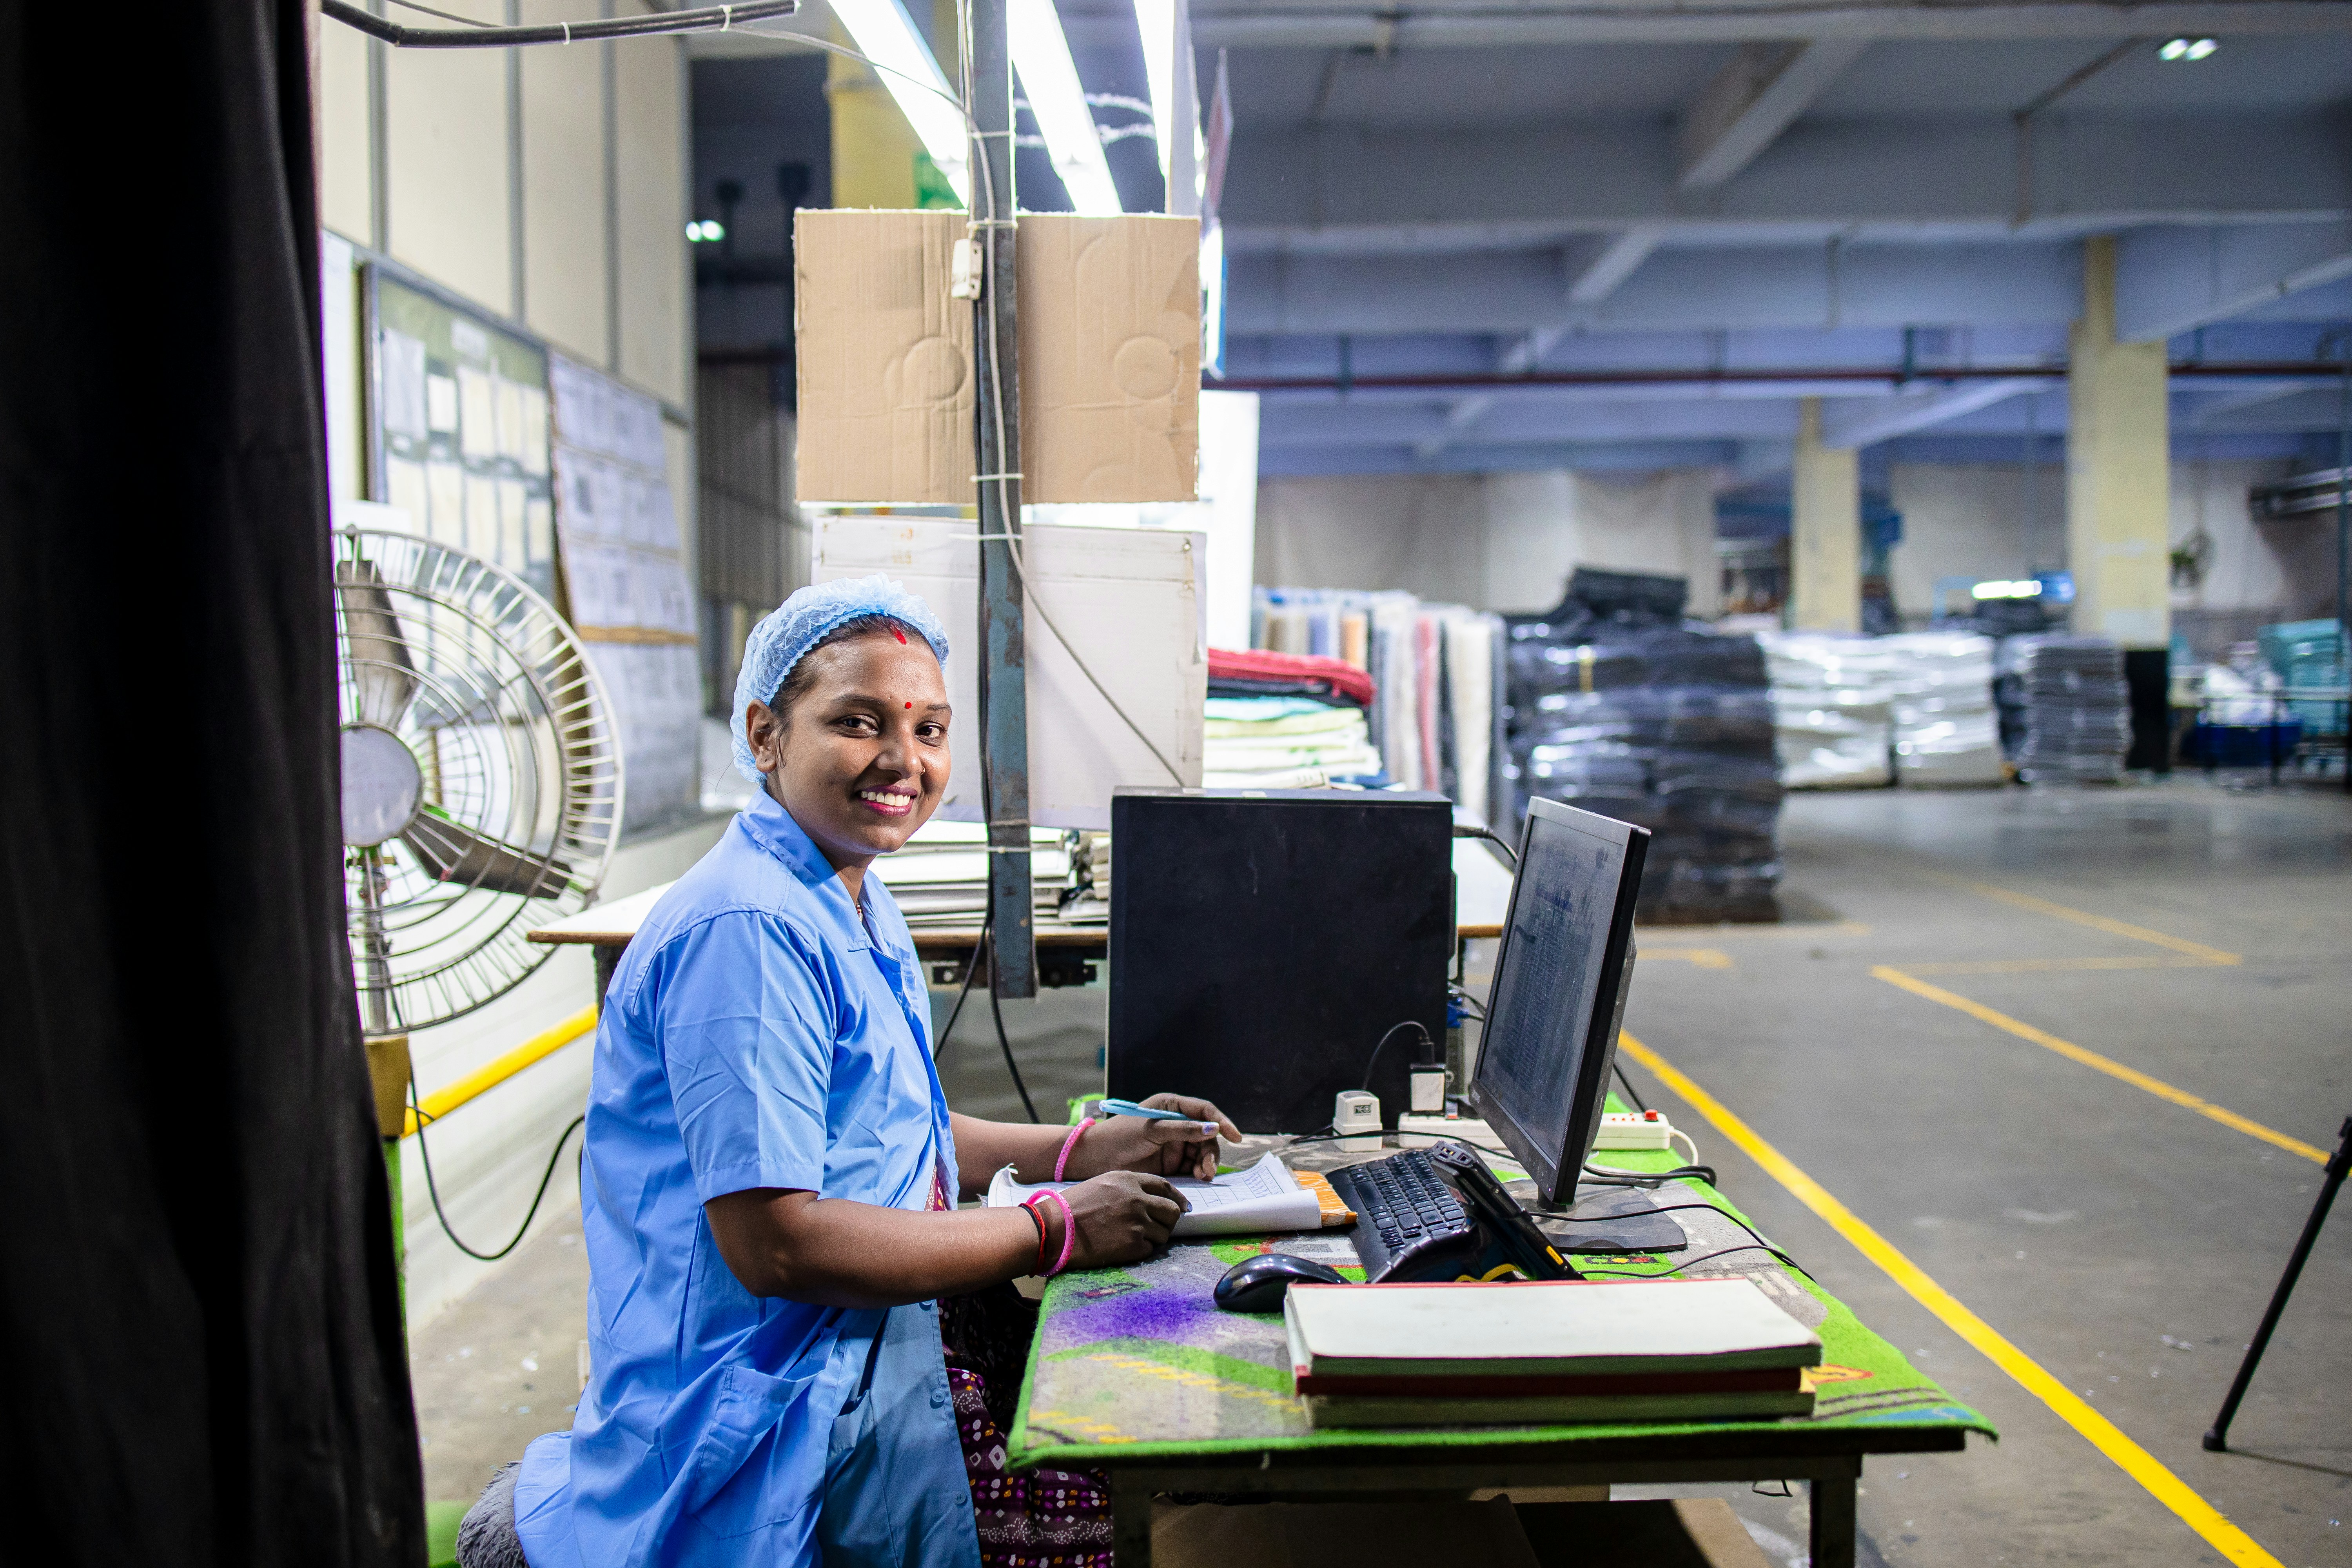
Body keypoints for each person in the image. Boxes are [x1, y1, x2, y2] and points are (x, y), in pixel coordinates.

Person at [507, 576, 1236, 1568]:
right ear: (766, 733)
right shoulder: (752, 931)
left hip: (881, 1337)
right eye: (859, 722)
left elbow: (908, 1134)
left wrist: (1087, 1143)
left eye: (931, 729)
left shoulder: (847, 887)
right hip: (783, 1401)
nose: (905, 761)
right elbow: (781, 1243)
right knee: (1143, 1518)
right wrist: (1053, 1223)